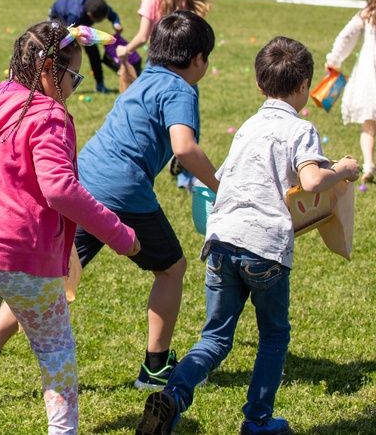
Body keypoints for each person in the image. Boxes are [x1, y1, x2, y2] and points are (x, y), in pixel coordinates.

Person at [0, 11, 219, 401]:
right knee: (172, 268)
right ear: (197, 60)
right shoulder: (181, 89)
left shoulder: (149, 78)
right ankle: (155, 368)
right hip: (124, 193)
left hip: (83, 183)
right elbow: (183, 147)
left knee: (53, 279)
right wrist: (221, 185)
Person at [0, 20, 139, 435]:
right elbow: (60, 189)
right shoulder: (48, 115)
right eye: (74, 76)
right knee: (55, 353)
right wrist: (120, 235)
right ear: (50, 68)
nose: (75, 86)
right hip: (22, 258)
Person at [136, 37, 359, 435]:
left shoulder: (248, 128)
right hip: (265, 250)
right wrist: (342, 169)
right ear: (306, 85)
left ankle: (172, 395)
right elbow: (310, 180)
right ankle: (257, 421)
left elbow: (225, 181)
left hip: (221, 242)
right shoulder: (301, 128)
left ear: (259, 86)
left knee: (215, 338)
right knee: (274, 335)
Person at [325, 0, 376, 183]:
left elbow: (347, 36)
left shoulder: (369, 12)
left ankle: (369, 164)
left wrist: (334, 60)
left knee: (369, 125)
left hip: (369, 76)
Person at [49, 0, 125, 94]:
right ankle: (55, 85)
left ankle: (100, 85)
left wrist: (116, 23)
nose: (101, 21)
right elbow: (67, 33)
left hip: (82, 27)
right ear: (89, 15)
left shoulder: (100, 8)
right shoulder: (75, 16)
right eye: (98, 20)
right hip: (59, 17)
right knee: (62, 53)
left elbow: (112, 15)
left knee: (94, 54)